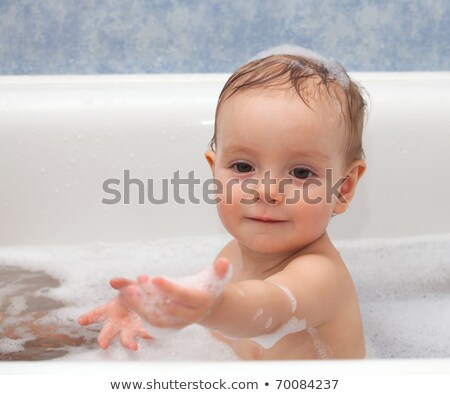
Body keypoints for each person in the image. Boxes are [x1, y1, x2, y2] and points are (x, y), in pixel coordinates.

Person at [79, 45, 368, 360]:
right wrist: (149, 306)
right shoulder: (231, 256)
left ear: (343, 188)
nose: (266, 190)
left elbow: (263, 308)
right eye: (243, 167)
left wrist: (209, 307)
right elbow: (210, 312)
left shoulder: (320, 276)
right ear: (214, 171)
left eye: (300, 172)